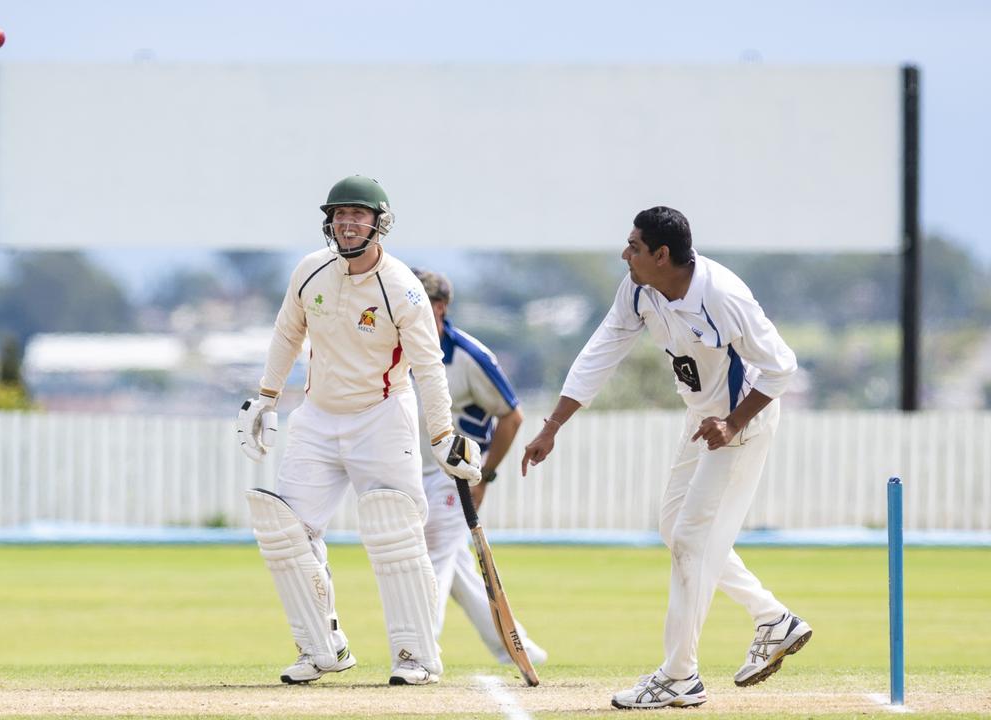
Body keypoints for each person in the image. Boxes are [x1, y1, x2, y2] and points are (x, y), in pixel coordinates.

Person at [520, 206, 812, 709]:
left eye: (634, 247)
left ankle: (680, 677)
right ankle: (772, 619)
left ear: (662, 254)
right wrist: (552, 426)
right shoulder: (639, 289)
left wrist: (734, 422)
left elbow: (781, 368)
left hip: (740, 425)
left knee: (691, 543)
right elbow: (600, 351)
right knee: (673, 528)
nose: (624, 254)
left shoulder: (723, 296)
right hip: (701, 419)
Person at [236, 175, 483, 687]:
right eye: (339, 215)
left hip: (383, 415)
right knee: (287, 532)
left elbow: (429, 366)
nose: (347, 223)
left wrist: (442, 437)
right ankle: (322, 648)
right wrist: (264, 397)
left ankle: (416, 656)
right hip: (318, 417)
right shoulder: (310, 272)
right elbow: (287, 332)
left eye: (358, 215)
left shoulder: (402, 289)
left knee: (395, 529)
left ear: (379, 222)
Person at [411, 268, 548, 667]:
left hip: (454, 473)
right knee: (455, 566)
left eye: (416, 302)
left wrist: (484, 476)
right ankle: (518, 648)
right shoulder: (396, 348)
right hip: (410, 472)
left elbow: (512, 417)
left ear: (440, 307)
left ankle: (421, 655)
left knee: (434, 555)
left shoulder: (470, 356)